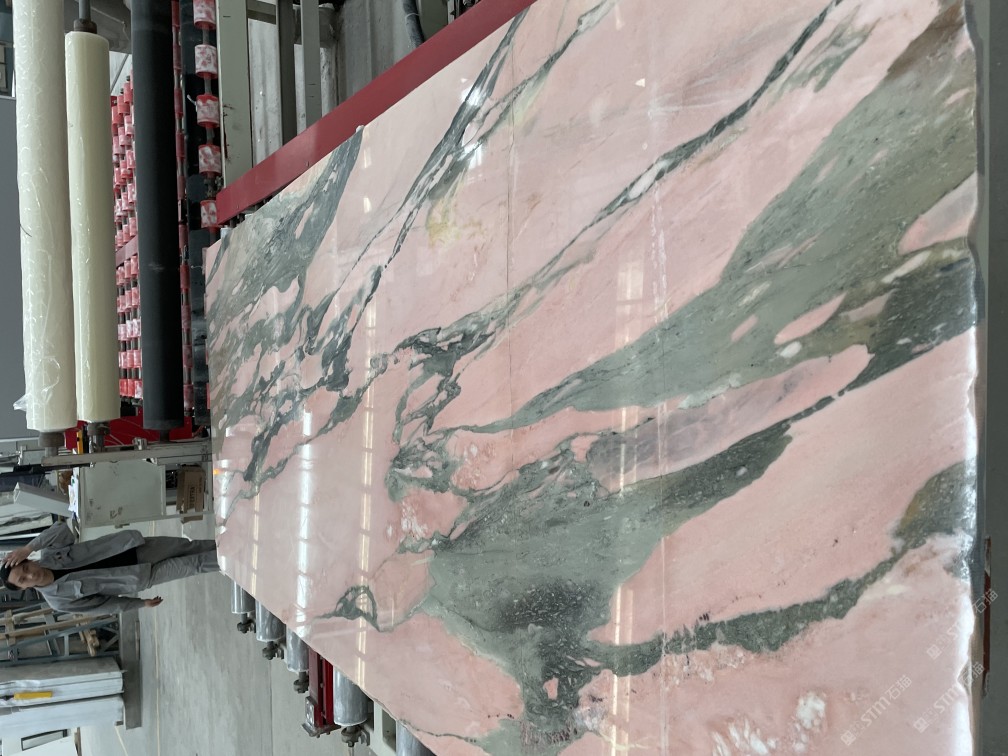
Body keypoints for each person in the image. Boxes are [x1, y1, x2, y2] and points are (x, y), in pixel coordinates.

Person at [0, 520, 219, 615]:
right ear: (23, 589)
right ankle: (233, 559)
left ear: (28, 561)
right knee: (193, 565)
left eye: (25, 569)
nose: (30, 575)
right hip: (138, 576)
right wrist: (139, 604)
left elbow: (62, 530)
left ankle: (231, 543)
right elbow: (102, 606)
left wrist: (29, 547)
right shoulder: (59, 601)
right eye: (23, 580)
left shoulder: (51, 552)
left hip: (133, 548)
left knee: (190, 546)